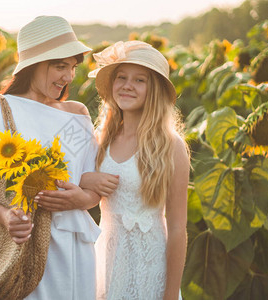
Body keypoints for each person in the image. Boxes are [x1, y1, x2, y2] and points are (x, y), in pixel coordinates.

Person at [0, 16, 101, 299]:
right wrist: (5, 215)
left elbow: (89, 183)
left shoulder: (77, 114)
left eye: (72, 67)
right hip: (20, 245)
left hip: (73, 245)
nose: (68, 77)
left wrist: (83, 199)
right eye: (60, 66)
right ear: (33, 64)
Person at [79, 41, 190, 300]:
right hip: (107, 260)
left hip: (150, 267)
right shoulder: (101, 138)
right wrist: (87, 178)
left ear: (154, 91)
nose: (127, 85)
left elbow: (176, 228)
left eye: (140, 80)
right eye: (121, 77)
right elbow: (77, 184)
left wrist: (171, 293)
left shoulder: (170, 146)